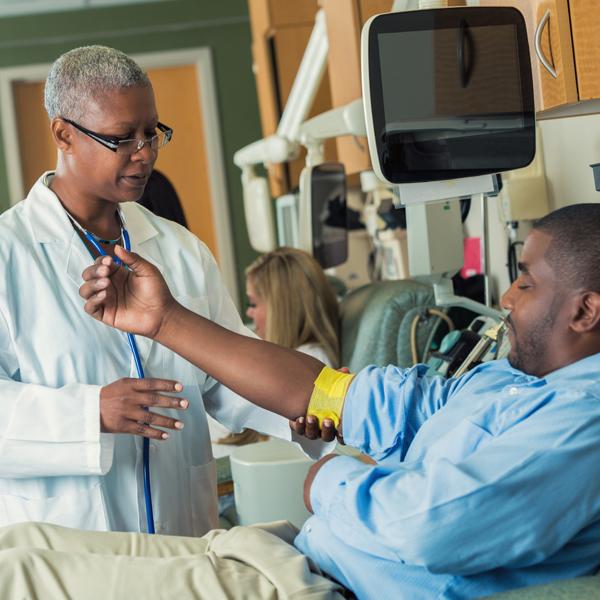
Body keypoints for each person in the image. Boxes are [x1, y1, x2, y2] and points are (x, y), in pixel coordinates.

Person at [4, 204, 600, 597]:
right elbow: (337, 395)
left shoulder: (582, 421)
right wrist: (166, 321)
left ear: (585, 309)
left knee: (20, 578)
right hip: (288, 554)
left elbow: (428, 528)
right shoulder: (503, 383)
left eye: (525, 280)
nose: (505, 295)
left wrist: (335, 479)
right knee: (21, 546)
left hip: (321, 587)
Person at [0, 45, 327, 538]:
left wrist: (300, 410)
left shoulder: (180, 250)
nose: (145, 152)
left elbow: (227, 375)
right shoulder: (9, 254)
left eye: (151, 133)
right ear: (63, 134)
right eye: (121, 138)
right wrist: (90, 413)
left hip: (185, 540)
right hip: (68, 552)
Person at [210, 247, 340, 448]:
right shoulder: (298, 359)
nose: (249, 313)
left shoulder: (310, 363)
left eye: (253, 303)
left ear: (282, 310)